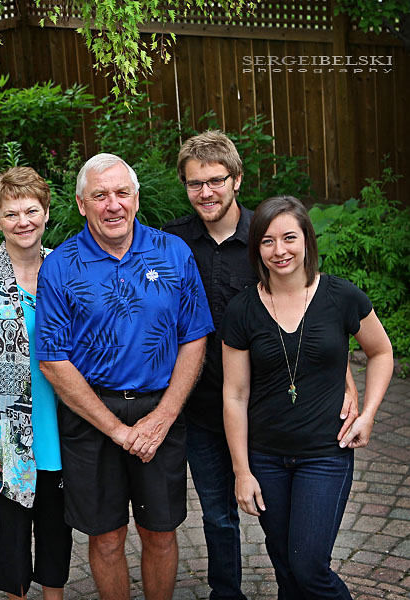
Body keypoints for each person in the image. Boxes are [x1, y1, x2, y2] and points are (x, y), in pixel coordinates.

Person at [163, 131, 359, 600]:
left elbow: (317, 318)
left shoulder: (268, 238)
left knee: (287, 532)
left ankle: (295, 584)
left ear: (236, 181)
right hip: (205, 403)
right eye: (195, 184)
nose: (205, 192)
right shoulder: (169, 243)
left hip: (271, 411)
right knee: (218, 512)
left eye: (215, 180)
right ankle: (226, 593)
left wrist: (346, 382)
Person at [36, 153, 214, 600]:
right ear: (81, 204)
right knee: (107, 537)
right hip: (91, 416)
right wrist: (116, 429)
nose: (112, 204)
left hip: (161, 410)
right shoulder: (59, 265)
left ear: (136, 198)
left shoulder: (173, 252)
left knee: (159, 532)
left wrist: (165, 416)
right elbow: (53, 359)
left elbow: (194, 337)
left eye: (121, 193)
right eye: (100, 195)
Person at [222, 195, 392, 599]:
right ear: (256, 248)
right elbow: (234, 393)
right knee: (285, 568)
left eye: (289, 238)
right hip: (266, 458)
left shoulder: (342, 297)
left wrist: (367, 413)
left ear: (307, 241)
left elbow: (381, 352)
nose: (279, 251)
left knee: (309, 566)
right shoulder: (242, 309)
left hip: (325, 455)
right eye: (267, 241)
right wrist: (242, 471)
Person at [0, 167, 73, 600]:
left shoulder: (65, 270)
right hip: (6, 437)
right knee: (14, 538)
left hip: (64, 429)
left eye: (31, 210)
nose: (23, 221)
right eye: (11, 213)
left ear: (45, 212)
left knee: (58, 534)